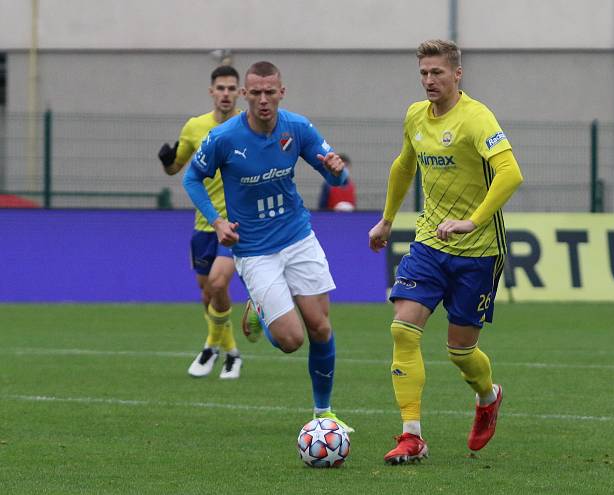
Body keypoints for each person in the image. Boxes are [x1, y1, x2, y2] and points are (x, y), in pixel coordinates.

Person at [368, 39, 524, 464]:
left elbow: (511, 173)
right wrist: (386, 219)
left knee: (460, 351)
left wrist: (472, 220)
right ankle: (411, 435)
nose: (429, 80)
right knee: (402, 328)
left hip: (478, 250)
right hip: (430, 242)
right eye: (423, 73)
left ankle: (488, 396)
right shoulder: (416, 116)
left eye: (437, 72)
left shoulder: (477, 118)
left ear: (457, 74)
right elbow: (404, 165)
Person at [182, 60, 354, 432]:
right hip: (255, 250)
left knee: (320, 328)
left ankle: (323, 414)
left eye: (270, 92)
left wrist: (337, 169)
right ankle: (259, 310)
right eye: (255, 93)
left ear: (281, 92)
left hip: (297, 236)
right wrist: (217, 221)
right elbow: (192, 178)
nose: (263, 100)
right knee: (291, 340)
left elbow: (336, 175)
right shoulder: (225, 138)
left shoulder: (297, 127)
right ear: (245, 95)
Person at [157, 65, 243, 379]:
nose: (225, 94)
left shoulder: (248, 124)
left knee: (219, 284)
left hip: (235, 225)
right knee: (208, 293)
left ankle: (210, 347)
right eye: (220, 88)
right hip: (204, 223)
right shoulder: (195, 127)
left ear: (239, 92)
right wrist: (167, 160)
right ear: (211, 91)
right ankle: (232, 352)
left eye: (231, 88)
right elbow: (176, 168)